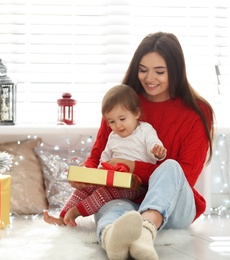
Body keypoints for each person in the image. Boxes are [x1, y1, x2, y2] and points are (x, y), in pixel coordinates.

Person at [85, 32, 214, 260]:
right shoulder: (123, 103)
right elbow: (98, 155)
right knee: (114, 208)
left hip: (175, 206)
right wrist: (85, 174)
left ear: (175, 70)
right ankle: (110, 239)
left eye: (160, 71)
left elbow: (185, 177)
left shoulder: (198, 112)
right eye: (143, 70)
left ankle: (146, 231)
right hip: (126, 196)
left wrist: (132, 166)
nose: (149, 78)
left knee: (171, 167)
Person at [43, 84, 167, 227]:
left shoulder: (145, 130)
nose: (118, 125)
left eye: (122, 119)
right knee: (86, 188)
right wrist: (94, 176)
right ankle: (63, 216)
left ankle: (76, 213)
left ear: (136, 114)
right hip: (113, 178)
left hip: (135, 186)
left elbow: (154, 144)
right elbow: (104, 158)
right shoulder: (113, 136)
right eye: (112, 122)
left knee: (104, 192)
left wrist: (158, 151)